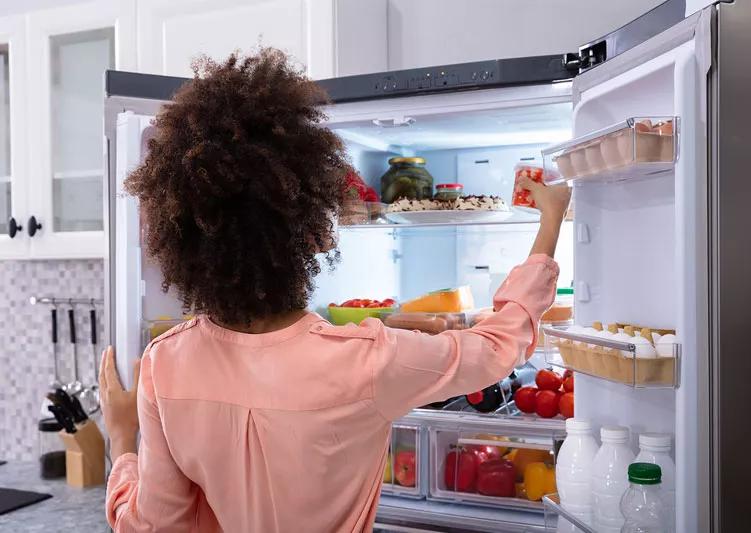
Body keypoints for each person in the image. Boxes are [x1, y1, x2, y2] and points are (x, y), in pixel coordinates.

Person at [100, 49, 571, 533]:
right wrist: (550, 219)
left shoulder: (165, 363)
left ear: (180, 235)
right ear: (312, 232)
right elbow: (496, 349)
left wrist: (121, 439)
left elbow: (154, 525)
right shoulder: (365, 361)